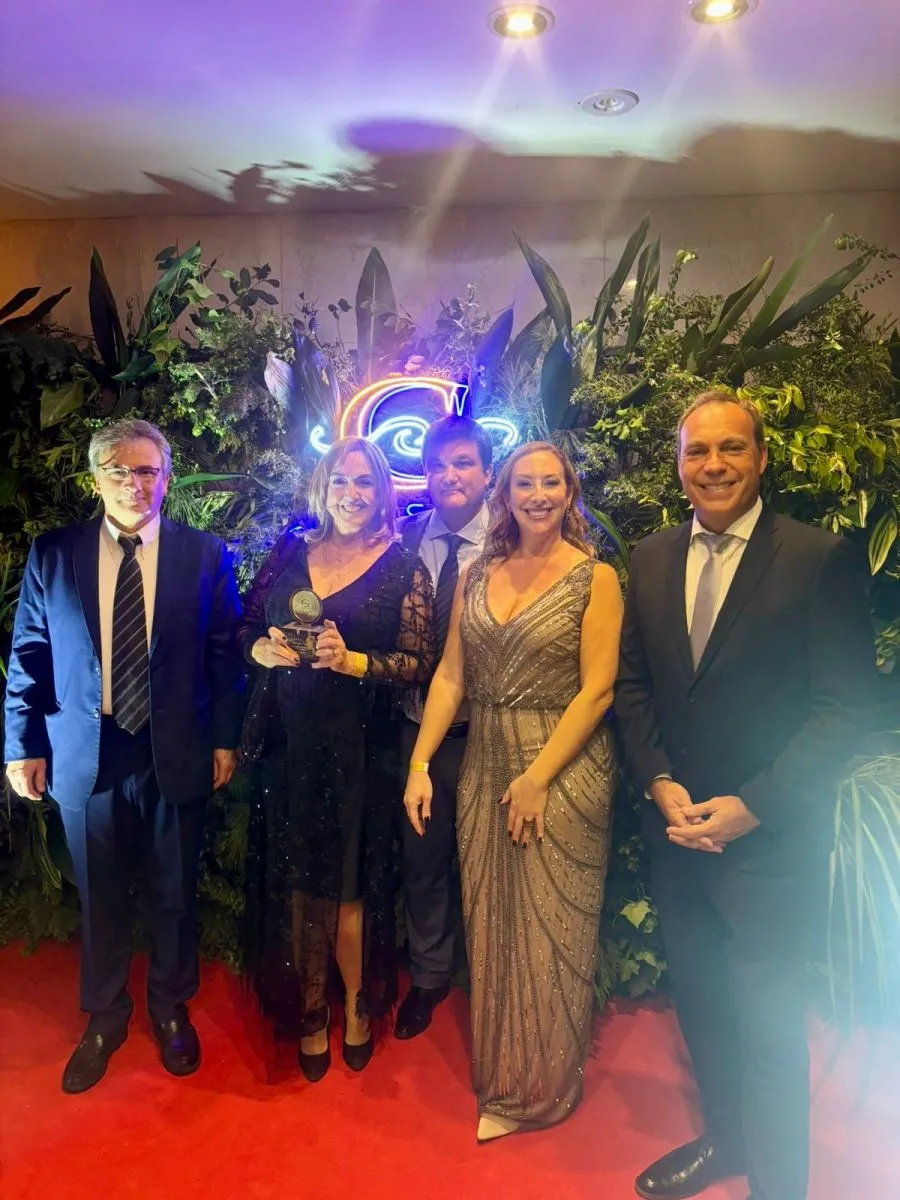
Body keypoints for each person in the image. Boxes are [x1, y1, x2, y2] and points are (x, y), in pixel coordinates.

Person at [614, 390, 877, 1200]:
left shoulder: (818, 559)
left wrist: (754, 804)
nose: (714, 465)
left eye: (732, 448)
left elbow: (845, 709)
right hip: (678, 836)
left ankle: (779, 1185)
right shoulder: (650, 558)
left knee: (768, 1028)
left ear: (761, 458)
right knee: (702, 1008)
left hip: (770, 843)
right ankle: (727, 1142)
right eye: (697, 451)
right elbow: (634, 687)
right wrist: (659, 782)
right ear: (678, 465)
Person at [4, 419, 244, 1094]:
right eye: (118, 470)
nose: (133, 484)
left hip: (177, 746)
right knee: (100, 896)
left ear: (167, 478)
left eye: (146, 471)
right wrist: (22, 745)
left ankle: (170, 1009)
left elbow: (225, 655)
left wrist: (225, 738)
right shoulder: (54, 554)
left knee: (174, 891)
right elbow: (28, 654)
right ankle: (105, 1017)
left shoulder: (205, 554)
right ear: (96, 479)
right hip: (88, 750)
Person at [404, 441, 623, 1140]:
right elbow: (451, 677)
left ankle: (540, 1089)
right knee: (493, 921)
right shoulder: (477, 573)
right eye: (524, 483)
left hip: (561, 768)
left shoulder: (596, 578)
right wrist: (419, 764)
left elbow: (598, 693)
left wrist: (537, 777)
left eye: (551, 483)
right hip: (485, 761)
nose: (537, 495)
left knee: (548, 927)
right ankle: (503, 1075)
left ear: (569, 492)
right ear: (505, 495)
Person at [238, 436, 434, 1082]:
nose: (352, 494)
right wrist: (260, 650)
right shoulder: (290, 550)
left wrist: (354, 662)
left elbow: (419, 663)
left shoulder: (404, 567)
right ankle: (312, 1009)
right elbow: (244, 626)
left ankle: (355, 1004)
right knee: (297, 887)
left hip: (359, 749)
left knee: (348, 892)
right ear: (323, 488)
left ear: (383, 491)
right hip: (288, 745)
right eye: (341, 481)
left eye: (364, 482)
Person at [395, 414, 493, 1040]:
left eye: (462, 463)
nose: (449, 475)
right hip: (415, 731)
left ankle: (491, 977)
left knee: (490, 864)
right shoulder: (403, 538)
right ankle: (429, 977)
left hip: (490, 734)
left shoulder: (515, 540)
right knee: (422, 859)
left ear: (487, 472)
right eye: (437, 465)